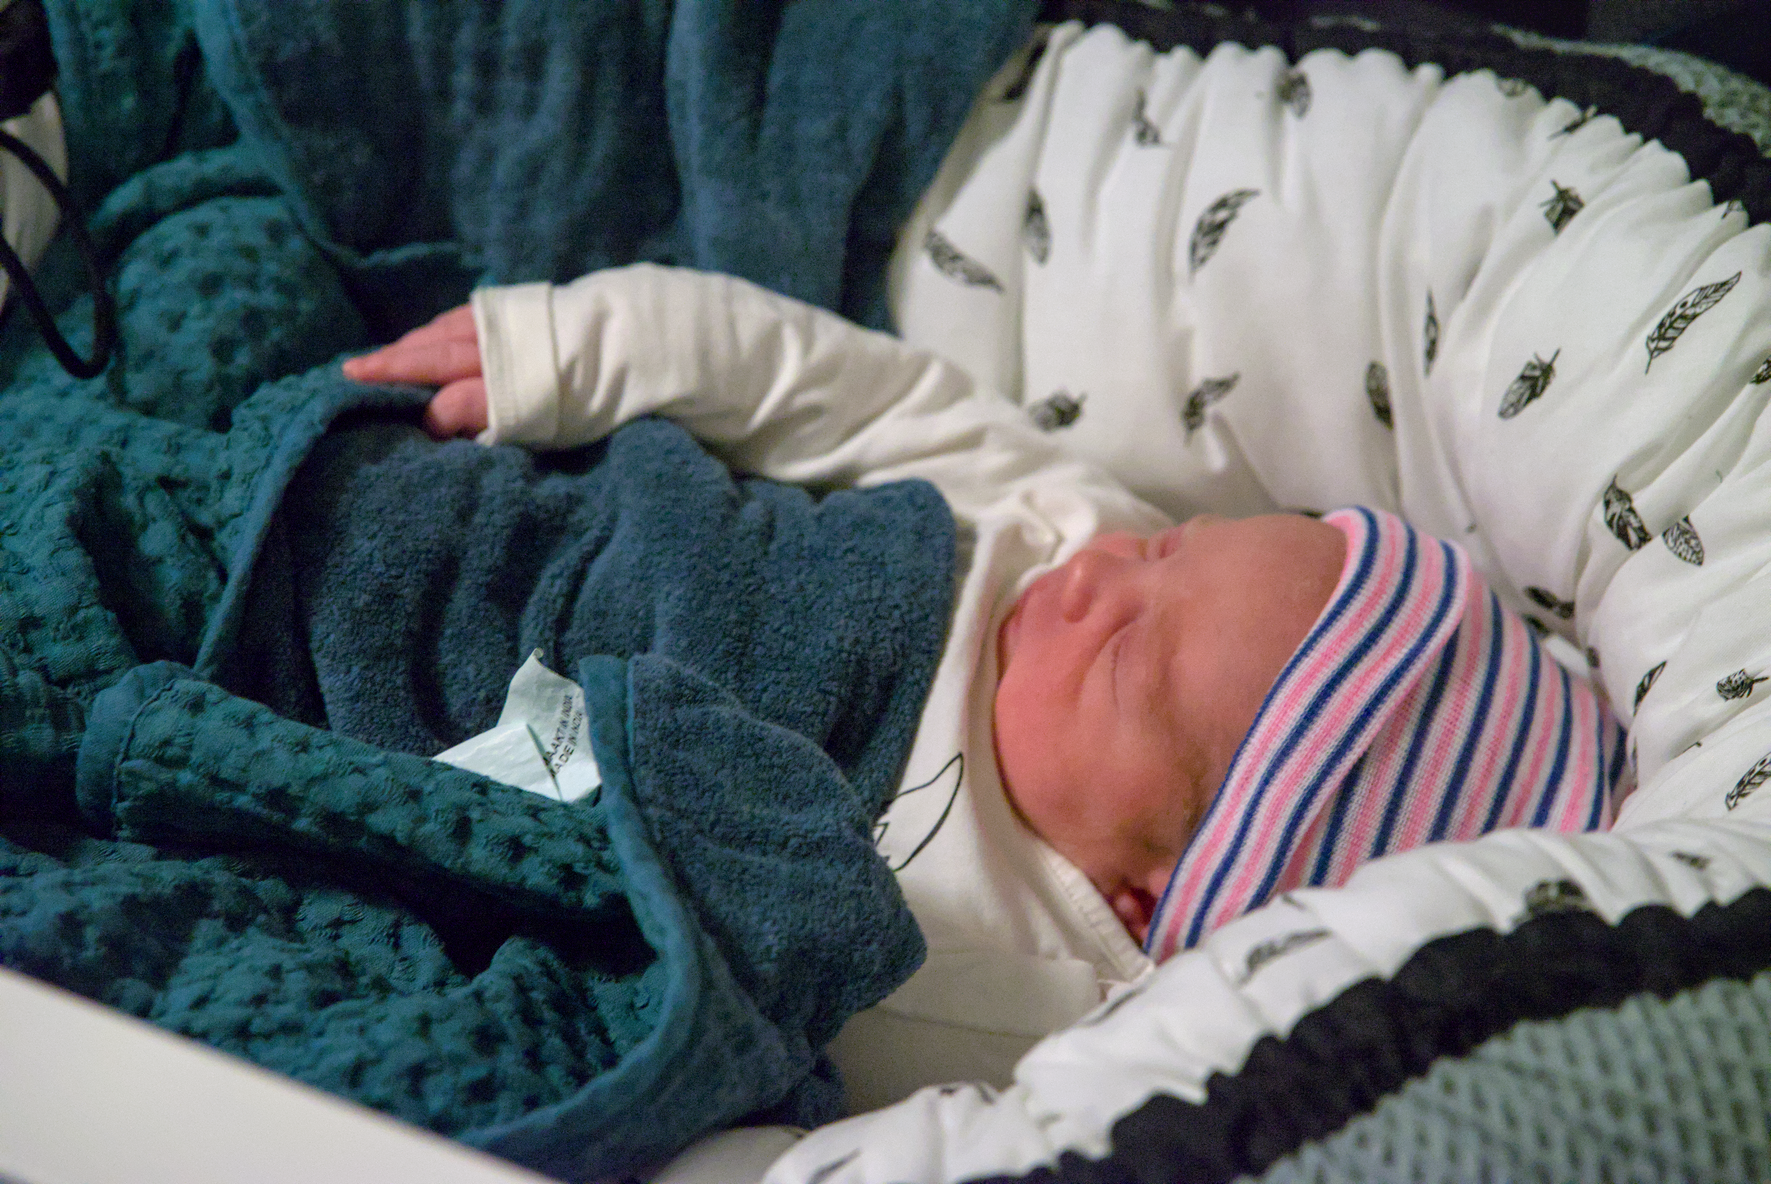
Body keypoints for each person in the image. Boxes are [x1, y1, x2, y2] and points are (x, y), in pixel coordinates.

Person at [344, 261, 1625, 1034]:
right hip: (540, 507)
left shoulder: (1032, 987)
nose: (1098, 572)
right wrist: (578, 345)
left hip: (465, 756)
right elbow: (849, 388)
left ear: (1147, 894)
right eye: (1168, 545)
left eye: (1123, 657)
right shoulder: (1062, 528)